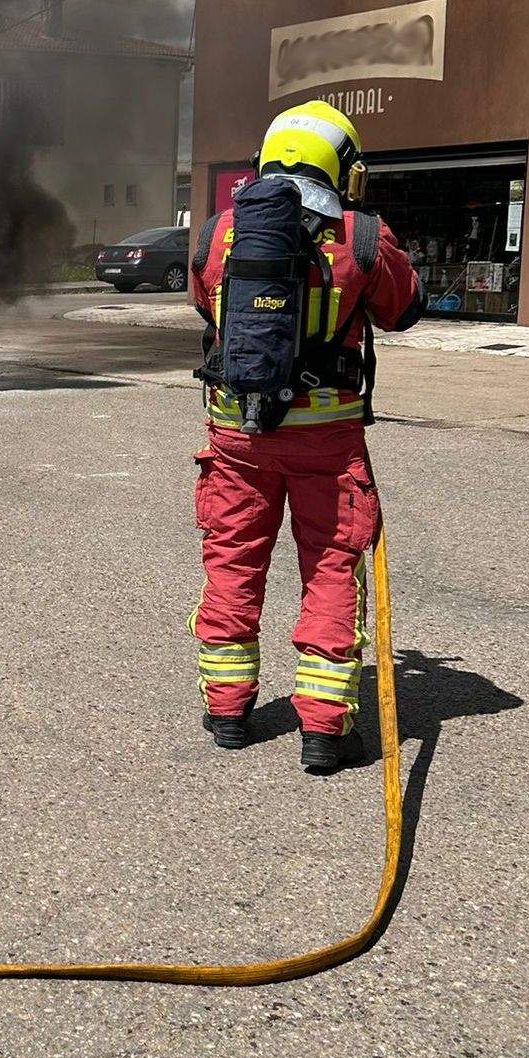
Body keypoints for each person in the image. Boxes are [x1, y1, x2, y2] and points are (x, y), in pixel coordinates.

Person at [189, 101, 424, 772]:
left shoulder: (218, 232)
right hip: (328, 437)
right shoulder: (360, 235)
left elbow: (206, 306)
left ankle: (229, 709)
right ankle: (323, 730)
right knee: (328, 569)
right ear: (341, 165)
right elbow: (402, 307)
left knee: (232, 563)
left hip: (236, 435)